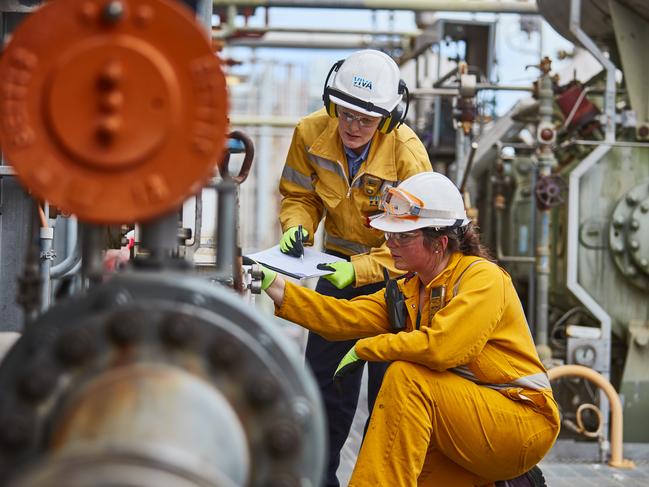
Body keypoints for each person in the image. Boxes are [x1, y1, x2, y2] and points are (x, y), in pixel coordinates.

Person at [264, 172, 560, 486]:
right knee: (415, 468)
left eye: (403, 236)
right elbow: (342, 315)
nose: (390, 243)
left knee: (406, 377)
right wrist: (270, 283)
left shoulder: (483, 279)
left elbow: (443, 347)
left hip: (520, 421)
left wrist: (367, 348)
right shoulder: (411, 289)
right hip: (465, 417)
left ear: (439, 242)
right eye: (390, 234)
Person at [277, 49, 432, 485]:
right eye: (345, 113)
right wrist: (298, 227)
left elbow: (416, 241)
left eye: (366, 120)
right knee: (327, 388)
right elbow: (298, 194)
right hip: (335, 272)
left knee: (391, 396)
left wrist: (361, 270)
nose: (352, 126)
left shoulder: (408, 156)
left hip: (397, 282)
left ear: (387, 118)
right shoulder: (310, 132)